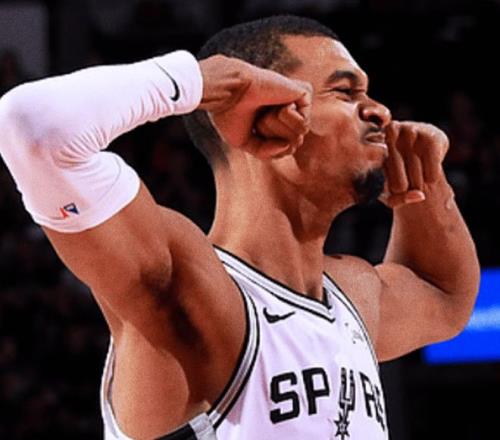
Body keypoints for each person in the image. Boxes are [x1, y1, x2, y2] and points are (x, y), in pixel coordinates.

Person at [0, 15, 479, 440]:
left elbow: (445, 297)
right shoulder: (193, 288)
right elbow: (31, 128)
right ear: (265, 113)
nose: (380, 111)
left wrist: (425, 183)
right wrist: (197, 81)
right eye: (345, 92)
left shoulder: (352, 295)